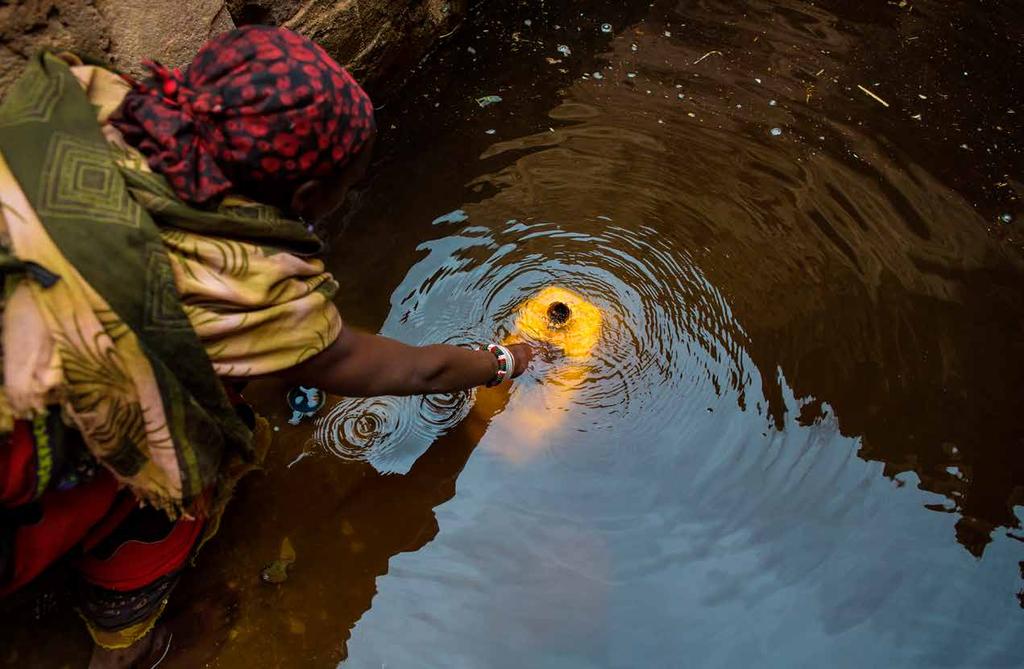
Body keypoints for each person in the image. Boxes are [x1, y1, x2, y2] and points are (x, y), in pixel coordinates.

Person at [0, 25, 533, 668]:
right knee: (167, 482)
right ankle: (127, 648)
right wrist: (507, 359)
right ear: (308, 198)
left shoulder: (82, 106)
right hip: (24, 459)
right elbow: (416, 372)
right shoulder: (244, 290)